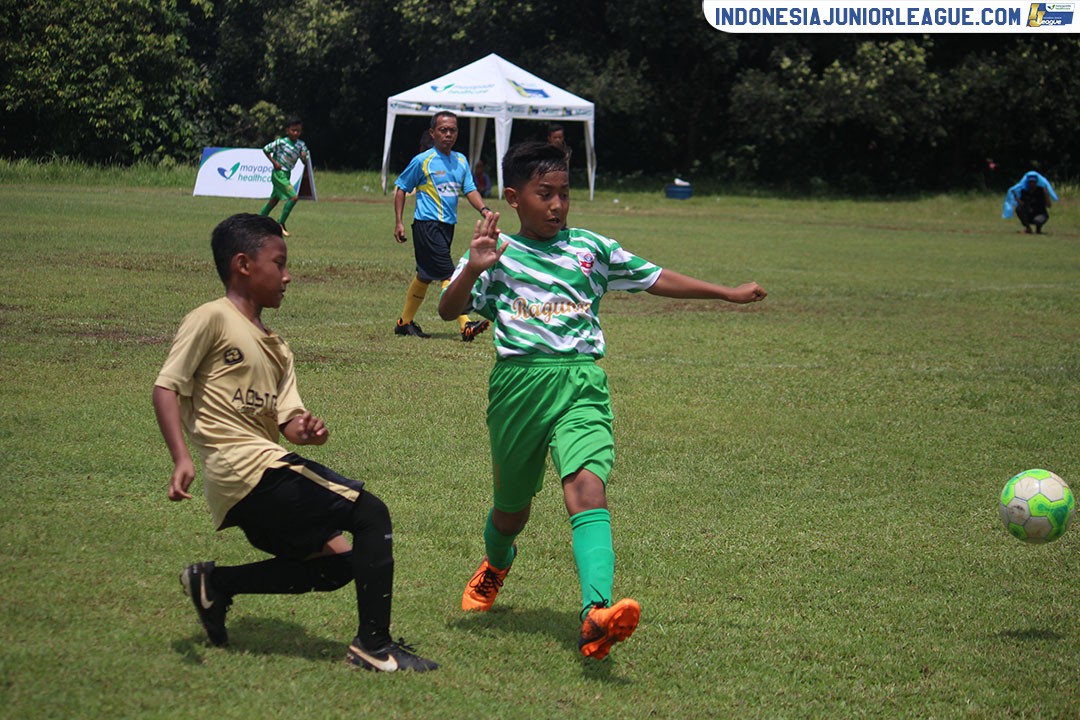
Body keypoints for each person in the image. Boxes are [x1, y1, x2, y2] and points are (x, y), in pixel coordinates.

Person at [438, 142, 767, 660]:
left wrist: (725, 293)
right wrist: (474, 270)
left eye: (564, 194)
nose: (557, 205)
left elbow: (657, 277)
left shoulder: (592, 248)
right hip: (518, 388)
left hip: (581, 385)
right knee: (511, 511)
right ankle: (496, 564)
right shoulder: (494, 251)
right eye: (544, 194)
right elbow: (446, 309)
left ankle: (596, 613)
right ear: (513, 197)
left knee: (587, 488)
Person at [153, 213, 437, 673]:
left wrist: (307, 431)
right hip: (245, 468)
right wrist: (181, 457)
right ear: (243, 264)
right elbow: (167, 386)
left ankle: (217, 583)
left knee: (337, 566)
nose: (288, 276)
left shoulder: (279, 348)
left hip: (253, 477)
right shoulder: (212, 318)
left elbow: (288, 422)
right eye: (279, 263)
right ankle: (374, 645)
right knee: (371, 513)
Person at [392, 111, 492, 342]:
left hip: (447, 226)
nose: (448, 134)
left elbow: (469, 189)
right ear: (433, 133)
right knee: (451, 273)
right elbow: (401, 188)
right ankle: (465, 324)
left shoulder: (460, 160)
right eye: (443, 130)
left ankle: (404, 323)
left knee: (424, 277)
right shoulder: (423, 160)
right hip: (427, 225)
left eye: (452, 130)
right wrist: (398, 221)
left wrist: (484, 209)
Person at [259, 117, 310, 237]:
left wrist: (303, 157)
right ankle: (280, 223)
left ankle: (258, 221)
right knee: (293, 197)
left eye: (298, 131)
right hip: (279, 173)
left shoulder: (301, 145)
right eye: (293, 130)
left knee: (274, 200)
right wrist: (274, 163)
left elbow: (304, 162)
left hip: (287, 174)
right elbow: (266, 149)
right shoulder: (281, 142)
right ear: (287, 130)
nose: (296, 133)